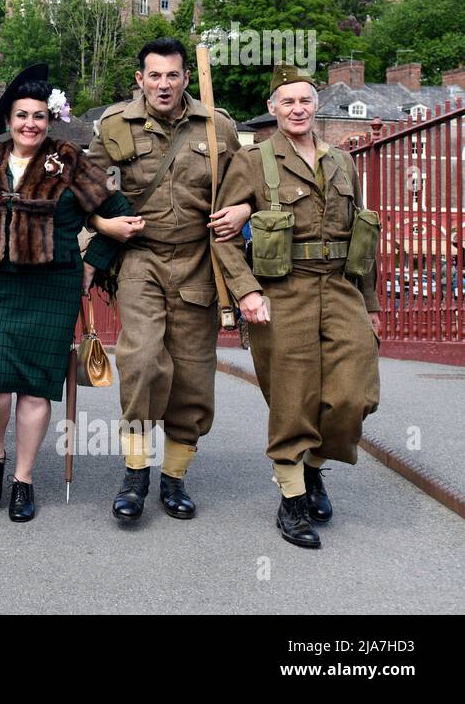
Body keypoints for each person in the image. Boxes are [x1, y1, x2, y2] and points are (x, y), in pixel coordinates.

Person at [212, 65, 381, 549]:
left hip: (342, 288)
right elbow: (222, 236)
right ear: (273, 110)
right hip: (283, 291)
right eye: (286, 102)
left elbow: (362, 236)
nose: (297, 109)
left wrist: (369, 303)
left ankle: (313, 466)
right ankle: (292, 500)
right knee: (292, 399)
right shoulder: (252, 161)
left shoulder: (341, 162)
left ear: (316, 106)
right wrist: (246, 291)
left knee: (352, 397)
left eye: (304, 100)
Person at [0, 65, 132, 522]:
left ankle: (23, 479)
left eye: (38, 116)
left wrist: (95, 263)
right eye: (21, 116)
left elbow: (121, 212)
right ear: (8, 120)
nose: (29, 124)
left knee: (35, 389)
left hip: (53, 288)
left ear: (49, 120)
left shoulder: (69, 160)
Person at [86, 37, 246, 522]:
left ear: (185, 79)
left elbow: (250, 184)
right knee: (141, 360)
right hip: (141, 259)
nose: (163, 84)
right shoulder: (115, 125)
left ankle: (174, 477)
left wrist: (242, 208)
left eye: (172, 75)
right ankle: (136, 471)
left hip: (200, 261)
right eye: (153, 75)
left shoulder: (218, 125)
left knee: (194, 373)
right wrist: (101, 225)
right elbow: (83, 190)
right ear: (140, 79)